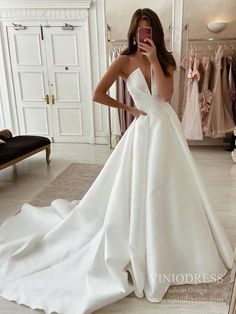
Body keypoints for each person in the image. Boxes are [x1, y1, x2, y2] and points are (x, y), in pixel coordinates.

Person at [0, 8, 234, 314]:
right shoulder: (123, 61)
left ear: (156, 32)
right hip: (142, 130)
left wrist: (152, 60)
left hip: (166, 130)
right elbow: (97, 93)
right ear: (133, 31)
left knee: (172, 188)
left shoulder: (167, 58)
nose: (143, 34)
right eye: (139, 29)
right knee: (140, 189)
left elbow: (164, 97)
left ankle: (176, 239)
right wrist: (129, 108)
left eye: (148, 29)